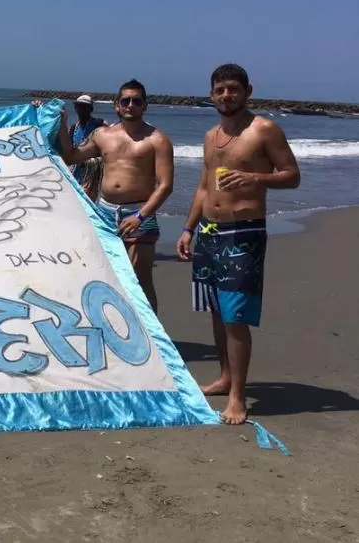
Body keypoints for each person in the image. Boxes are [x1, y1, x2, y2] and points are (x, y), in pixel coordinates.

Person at [177, 64, 299, 425]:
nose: (226, 95)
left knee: (235, 316)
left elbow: (292, 176)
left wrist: (252, 177)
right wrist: (187, 229)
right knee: (216, 310)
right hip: (210, 232)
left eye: (233, 89)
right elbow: (204, 187)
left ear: (248, 90)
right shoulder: (211, 134)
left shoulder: (263, 129)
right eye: (220, 90)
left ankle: (238, 396)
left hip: (243, 233)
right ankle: (226, 376)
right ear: (211, 93)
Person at [59, 79, 174, 312]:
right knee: (106, 278)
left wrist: (140, 217)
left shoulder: (157, 139)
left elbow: (165, 185)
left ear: (145, 106)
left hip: (139, 213)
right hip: (105, 211)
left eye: (136, 101)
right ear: (116, 106)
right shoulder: (103, 135)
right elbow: (71, 156)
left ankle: (152, 338)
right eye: (126, 100)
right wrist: (61, 123)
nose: (131, 105)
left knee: (140, 280)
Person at [69, 95, 106, 184]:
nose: (81, 110)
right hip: (76, 173)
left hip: (94, 175)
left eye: (85, 107)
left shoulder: (99, 124)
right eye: (79, 106)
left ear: (91, 109)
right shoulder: (74, 128)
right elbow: (68, 151)